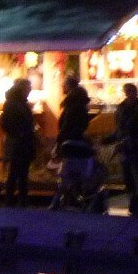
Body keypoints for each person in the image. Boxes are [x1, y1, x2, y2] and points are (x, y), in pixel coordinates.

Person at [50, 76, 98, 210]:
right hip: (78, 143)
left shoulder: (72, 105)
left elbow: (66, 126)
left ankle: (63, 202)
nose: (62, 88)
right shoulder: (80, 104)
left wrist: (59, 142)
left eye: (64, 85)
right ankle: (74, 201)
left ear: (69, 86)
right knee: (76, 175)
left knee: (67, 174)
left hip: (72, 144)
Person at [0, 78, 36, 207]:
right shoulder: (15, 103)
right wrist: (20, 133)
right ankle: (14, 201)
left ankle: (18, 201)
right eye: (28, 88)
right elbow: (5, 123)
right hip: (18, 144)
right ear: (22, 89)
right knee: (16, 174)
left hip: (21, 143)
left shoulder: (17, 102)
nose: (29, 91)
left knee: (19, 174)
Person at [114, 83, 138, 216]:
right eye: (127, 91)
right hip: (127, 146)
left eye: (130, 91)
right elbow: (120, 128)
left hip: (137, 146)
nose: (129, 94)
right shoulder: (122, 108)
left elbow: (135, 127)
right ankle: (136, 201)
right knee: (129, 176)